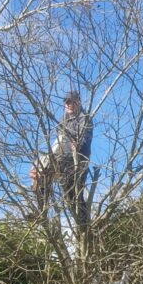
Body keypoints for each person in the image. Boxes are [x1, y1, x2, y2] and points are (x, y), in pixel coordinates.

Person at [30, 91, 93, 225]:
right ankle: (40, 210)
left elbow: (85, 140)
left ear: (78, 102)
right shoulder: (62, 120)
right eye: (67, 102)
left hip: (77, 161)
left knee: (73, 196)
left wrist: (77, 145)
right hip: (61, 157)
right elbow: (58, 140)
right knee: (40, 170)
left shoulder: (84, 117)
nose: (69, 104)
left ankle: (84, 225)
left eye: (72, 101)